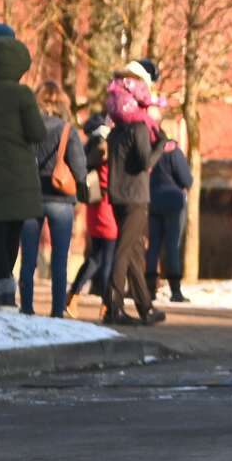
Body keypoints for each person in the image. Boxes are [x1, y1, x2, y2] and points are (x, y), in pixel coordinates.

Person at [0, 31, 44, 312]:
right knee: (12, 230)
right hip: (19, 173)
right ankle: (5, 291)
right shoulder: (21, 95)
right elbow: (36, 131)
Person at [102, 67, 164, 327]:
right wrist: (161, 144)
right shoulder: (138, 128)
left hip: (117, 195)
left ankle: (145, 307)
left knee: (135, 253)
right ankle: (113, 307)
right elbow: (144, 161)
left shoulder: (116, 130)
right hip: (136, 197)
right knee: (125, 251)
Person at [23, 82, 85, 317]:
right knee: (60, 258)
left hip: (32, 195)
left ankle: (26, 306)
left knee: (28, 258)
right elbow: (79, 170)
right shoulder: (67, 130)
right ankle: (57, 309)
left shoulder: (29, 128)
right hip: (60, 199)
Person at [69, 114, 117, 315]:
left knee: (96, 258)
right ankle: (106, 305)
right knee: (107, 260)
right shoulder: (105, 147)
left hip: (95, 208)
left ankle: (73, 295)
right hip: (108, 209)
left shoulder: (90, 147)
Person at [147, 128, 194, 305]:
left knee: (153, 246)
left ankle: (150, 289)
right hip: (174, 203)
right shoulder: (174, 152)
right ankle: (175, 291)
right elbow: (187, 180)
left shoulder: (150, 151)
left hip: (152, 202)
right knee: (172, 246)